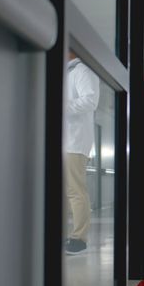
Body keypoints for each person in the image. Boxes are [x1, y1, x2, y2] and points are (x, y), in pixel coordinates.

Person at [64, 52, 100, 255]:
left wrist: (62, 105)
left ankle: (79, 238)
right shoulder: (68, 72)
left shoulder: (83, 70)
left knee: (75, 191)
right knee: (62, 192)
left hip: (75, 142)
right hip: (64, 141)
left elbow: (90, 100)